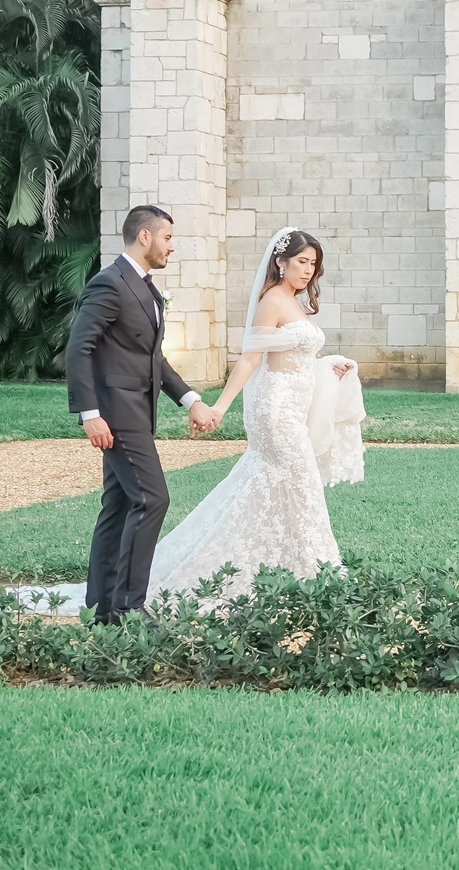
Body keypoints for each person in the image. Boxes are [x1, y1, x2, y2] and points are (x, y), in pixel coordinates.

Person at [138, 226, 367, 606]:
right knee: (302, 486)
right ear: (280, 261)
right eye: (301, 261)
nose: (308, 270)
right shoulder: (272, 300)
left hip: (294, 408)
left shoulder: (296, 302)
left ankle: (290, 571)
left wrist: (329, 367)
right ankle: (317, 575)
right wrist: (219, 407)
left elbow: (297, 360)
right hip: (274, 411)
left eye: (313, 263)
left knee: (279, 491)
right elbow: (250, 358)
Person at [63, 204, 219, 623]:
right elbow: (78, 349)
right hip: (116, 414)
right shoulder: (109, 283)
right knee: (152, 499)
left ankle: (102, 609)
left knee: (119, 506)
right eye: (168, 237)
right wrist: (89, 414)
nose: (173, 246)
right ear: (145, 237)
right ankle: (129, 609)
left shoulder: (146, 287)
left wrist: (191, 400)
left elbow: (153, 359)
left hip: (136, 412)